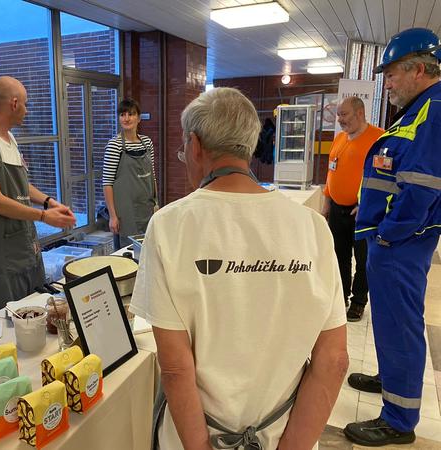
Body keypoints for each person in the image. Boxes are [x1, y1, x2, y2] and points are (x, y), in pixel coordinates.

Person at [130, 87, 349, 450]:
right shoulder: (312, 226)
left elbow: (176, 368)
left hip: (194, 436)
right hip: (281, 433)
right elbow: (334, 360)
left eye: (184, 149)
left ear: (195, 146)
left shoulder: (169, 226)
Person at [344, 28, 441, 447]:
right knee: (388, 321)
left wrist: (388, 235)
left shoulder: (434, 111)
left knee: (400, 325)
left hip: (400, 244)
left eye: (391, 74)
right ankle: (391, 378)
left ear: (418, 69)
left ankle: (398, 421)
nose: (387, 83)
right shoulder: (419, 109)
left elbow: (423, 185)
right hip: (394, 241)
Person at [0, 76, 76, 314]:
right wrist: (43, 216)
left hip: (23, 238)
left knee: (34, 305)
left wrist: (49, 202)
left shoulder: (9, 138)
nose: (27, 110)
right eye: (25, 104)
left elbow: (21, 186)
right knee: (4, 313)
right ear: (14, 104)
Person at [322, 97, 383, 322]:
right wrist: (327, 201)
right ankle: (341, 297)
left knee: (363, 258)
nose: (340, 119)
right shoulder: (339, 139)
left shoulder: (378, 139)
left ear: (360, 113)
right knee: (339, 256)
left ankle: (358, 301)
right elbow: (331, 172)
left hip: (363, 212)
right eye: (338, 115)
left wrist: (366, 204)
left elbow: (384, 177)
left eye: (344, 114)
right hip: (337, 210)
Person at [102, 98, 158, 249]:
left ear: (139, 118)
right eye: (122, 114)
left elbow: (152, 176)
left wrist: (156, 203)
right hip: (125, 213)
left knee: (149, 249)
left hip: (147, 208)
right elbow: (107, 183)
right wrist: (112, 216)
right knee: (127, 252)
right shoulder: (114, 145)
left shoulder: (147, 143)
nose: (126, 118)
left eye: (131, 114)